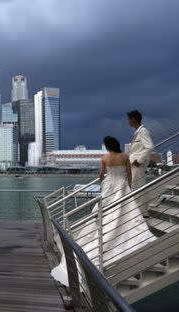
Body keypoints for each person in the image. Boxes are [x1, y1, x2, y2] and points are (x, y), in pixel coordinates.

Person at [51, 137, 156, 285]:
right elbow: (129, 173)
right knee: (127, 209)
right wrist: (129, 186)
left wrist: (104, 183)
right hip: (123, 185)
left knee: (105, 211)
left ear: (107, 146)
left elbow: (101, 175)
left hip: (109, 186)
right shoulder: (125, 156)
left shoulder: (105, 158)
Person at [127, 110, 154, 217]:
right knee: (135, 187)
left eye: (129, 119)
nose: (128, 121)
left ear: (133, 119)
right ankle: (139, 211)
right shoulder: (138, 132)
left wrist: (139, 161)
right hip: (134, 165)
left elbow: (149, 147)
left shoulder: (143, 131)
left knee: (138, 187)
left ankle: (143, 212)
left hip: (137, 165)